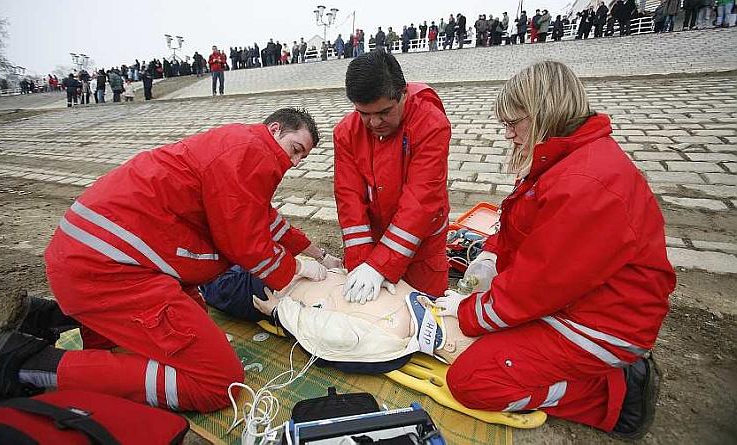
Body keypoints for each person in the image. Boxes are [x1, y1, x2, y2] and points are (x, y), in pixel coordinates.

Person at [0, 108, 334, 413]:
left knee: (187, 326)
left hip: (93, 254)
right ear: (274, 130)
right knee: (218, 382)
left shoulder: (236, 146)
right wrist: (299, 268)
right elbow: (247, 243)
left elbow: (262, 218)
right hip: (109, 268)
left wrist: (315, 252)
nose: (295, 162)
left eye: (302, 158)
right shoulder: (253, 152)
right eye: (295, 149)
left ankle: (55, 317)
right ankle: (28, 362)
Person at [431, 61, 675, 440]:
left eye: (514, 123)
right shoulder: (564, 158)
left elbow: (537, 286)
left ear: (543, 111)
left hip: (603, 323)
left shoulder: (585, 182)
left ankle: (611, 394)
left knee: (472, 381)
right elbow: (524, 226)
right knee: (486, 345)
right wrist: (492, 254)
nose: (509, 134)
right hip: (582, 304)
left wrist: (470, 314)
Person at [333, 51, 451, 305]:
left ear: (403, 93)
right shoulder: (346, 131)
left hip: (422, 245)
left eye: (384, 112)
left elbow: (421, 201)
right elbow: (349, 198)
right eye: (364, 113)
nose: (374, 122)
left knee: (426, 315)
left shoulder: (432, 125)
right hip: (375, 240)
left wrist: (380, 265)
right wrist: (360, 261)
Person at [202, 268, 474, 372]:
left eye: (466, 327)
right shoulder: (423, 300)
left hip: (277, 292)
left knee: (218, 281)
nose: (464, 314)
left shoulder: (395, 341)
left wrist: (278, 311)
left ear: (449, 346)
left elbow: (329, 334)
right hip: (307, 268)